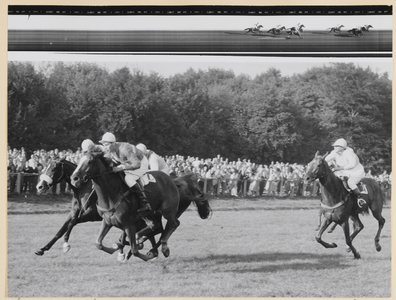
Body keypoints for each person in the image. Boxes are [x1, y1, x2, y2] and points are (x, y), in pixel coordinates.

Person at [97, 133, 152, 216]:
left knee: (128, 178)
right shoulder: (110, 150)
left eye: (106, 145)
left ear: (113, 143)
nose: (105, 148)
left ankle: (145, 202)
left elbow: (137, 164)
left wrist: (122, 168)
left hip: (141, 163)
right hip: (128, 162)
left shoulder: (124, 149)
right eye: (103, 145)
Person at [325, 138, 366, 207]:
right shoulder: (334, 152)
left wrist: (339, 168)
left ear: (342, 147)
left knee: (351, 182)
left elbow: (352, 164)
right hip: (343, 171)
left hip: (355, 172)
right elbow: (326, 160)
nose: (334, 148)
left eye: (336, 146)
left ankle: (360, 198)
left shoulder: (349, 153)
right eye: (334, 146)